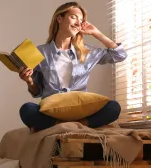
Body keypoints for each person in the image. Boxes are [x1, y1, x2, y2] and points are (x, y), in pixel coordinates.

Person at [19, 2, 127, 133]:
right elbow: (37, 92)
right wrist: (29, 81)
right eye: (74, 17)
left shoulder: (86, 52)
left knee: (113, 107)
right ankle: (73, 125)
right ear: (59, 18)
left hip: (80, 110)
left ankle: (63, 126)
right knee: (27, 110)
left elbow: (119, 55)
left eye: (81, 20)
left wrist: (96, 33)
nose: (78, 23)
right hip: (52, 110)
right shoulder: (40, 52)